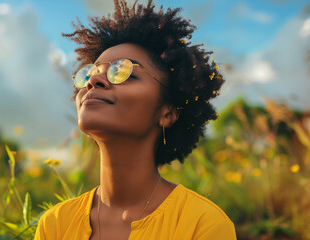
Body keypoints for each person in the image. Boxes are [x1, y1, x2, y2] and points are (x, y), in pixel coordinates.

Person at [35, 0, 236, 239]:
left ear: (168, 113)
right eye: (90, 72)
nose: (93, 81)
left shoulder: (202, 225)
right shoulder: (55, 225)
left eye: (123, 71)